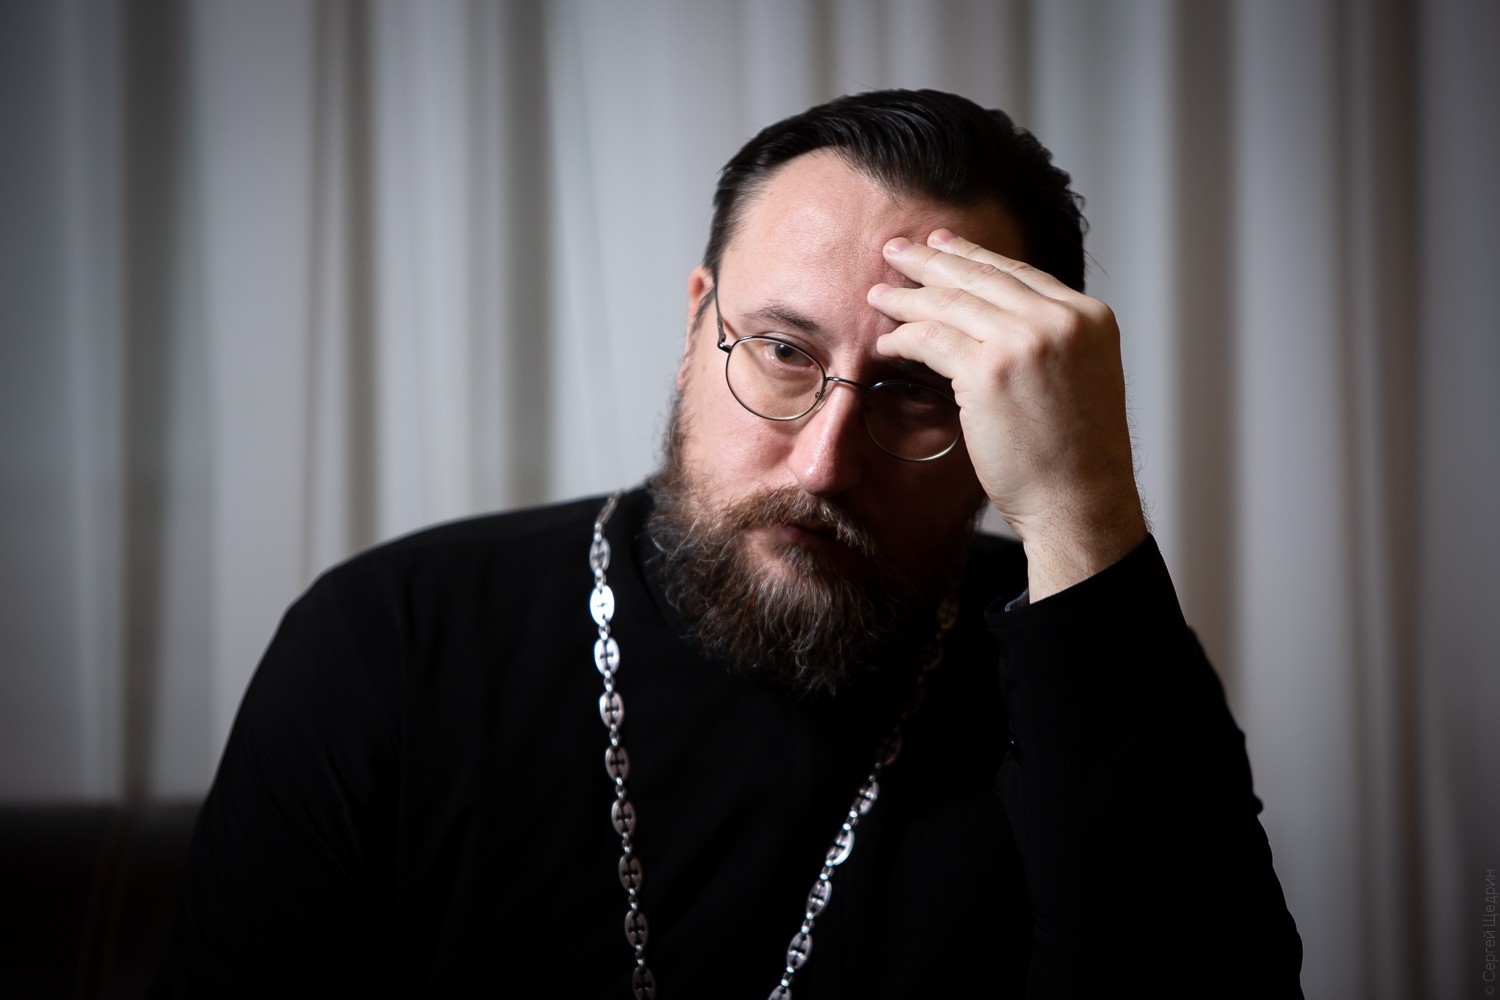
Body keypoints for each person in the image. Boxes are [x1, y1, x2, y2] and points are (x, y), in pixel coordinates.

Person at [157, 90, 1303, 998]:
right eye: (784, 352)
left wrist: (1082, 505)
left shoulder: (1087, 659)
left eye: (915, 390)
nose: (822, 464)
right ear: (696, 320)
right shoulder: (391, 640)